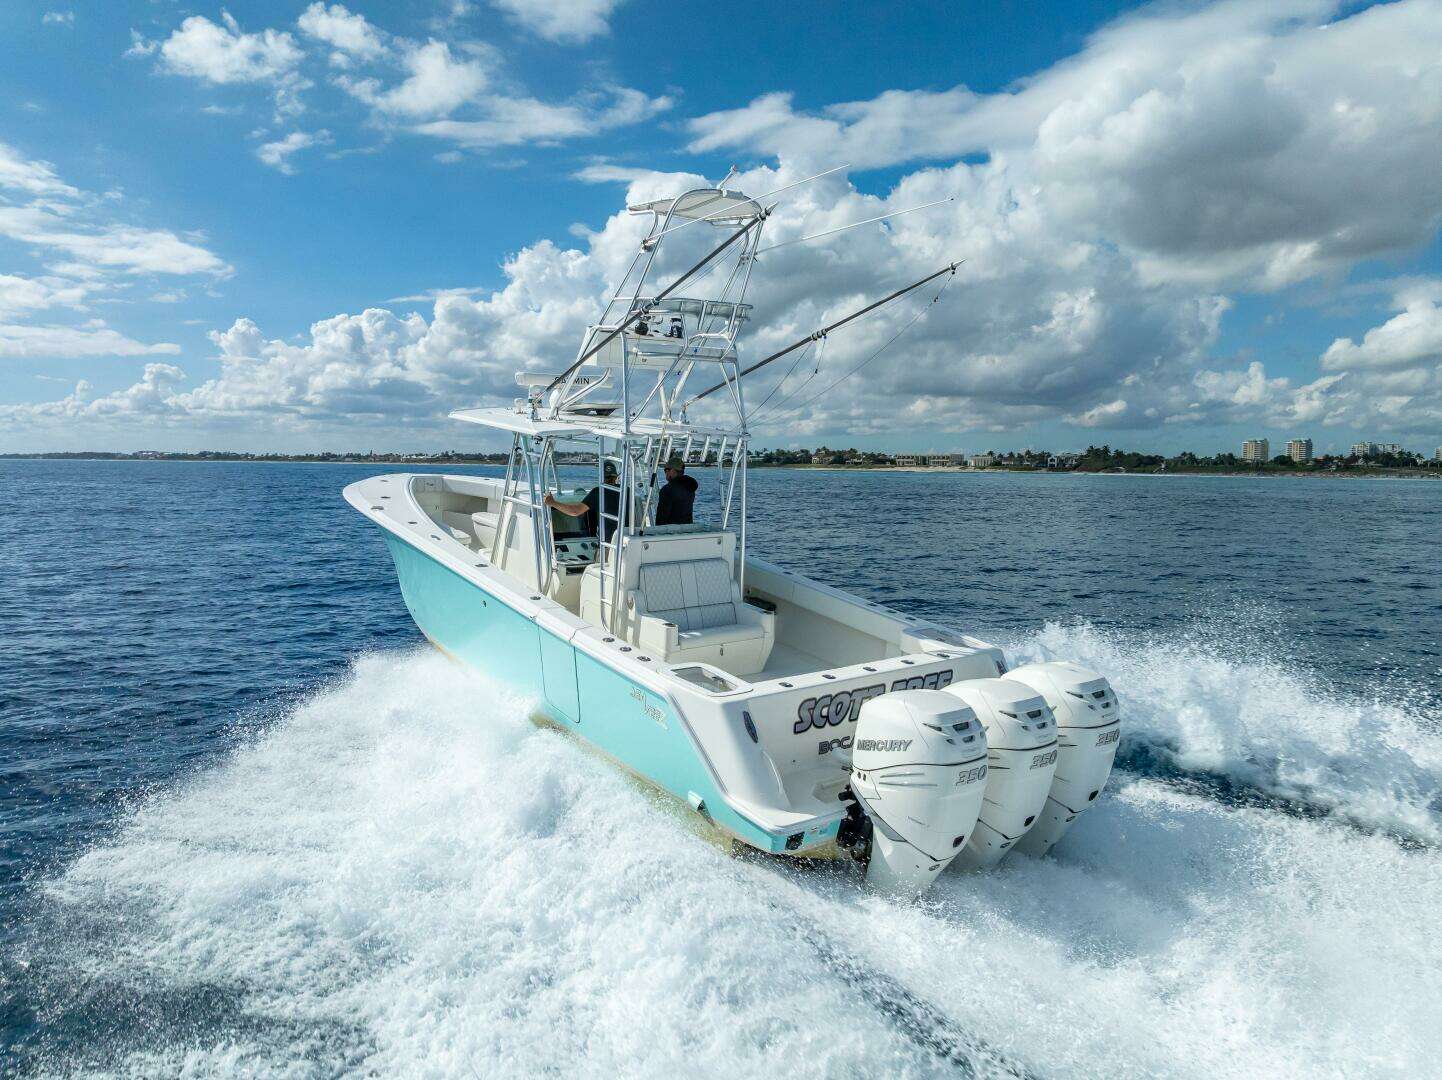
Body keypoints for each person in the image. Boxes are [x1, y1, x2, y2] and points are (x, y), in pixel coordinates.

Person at [545, 463, 620, 541]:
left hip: (609, 543)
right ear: (616, 477)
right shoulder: (626, 491)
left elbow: (575, 511)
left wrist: (552, 503)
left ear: (601, 476)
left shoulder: (598, 492)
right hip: (624, 541)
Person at [655, 455, 698, 526]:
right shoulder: (690, 487)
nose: (666, 472)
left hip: (671, 531)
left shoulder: (667, 490)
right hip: (688, 529)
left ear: (673, 470)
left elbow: (661, 518)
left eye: (667, 470)